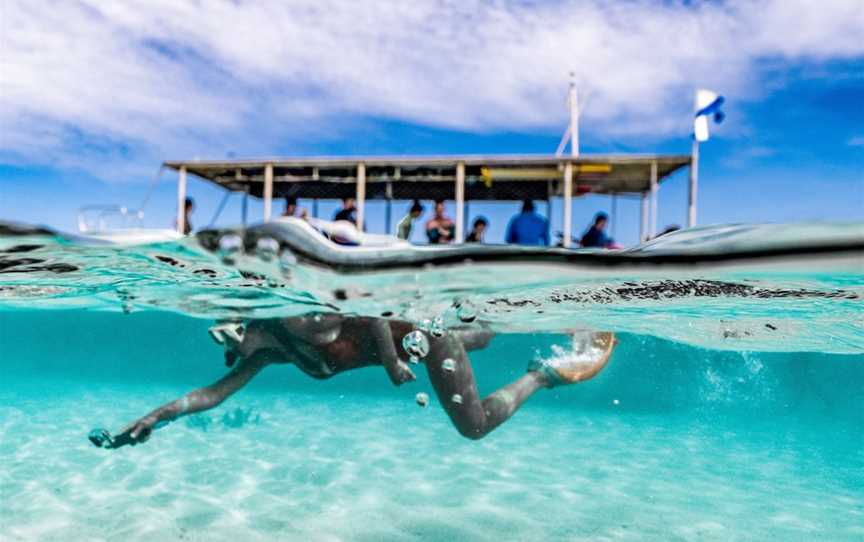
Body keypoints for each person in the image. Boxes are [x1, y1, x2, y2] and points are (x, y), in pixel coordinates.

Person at [88, 315, 616, 447]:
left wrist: (390, 363)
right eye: (220, 340)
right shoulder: (269, 351)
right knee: (475, 335)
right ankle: (506, 325)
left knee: (473, 423)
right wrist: (152, 418)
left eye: (225, 331)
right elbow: (211, 393)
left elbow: (374, 313)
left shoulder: (297, 321)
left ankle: (544, 374)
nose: (225, 343)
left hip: (421, 340)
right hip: (424, 340)